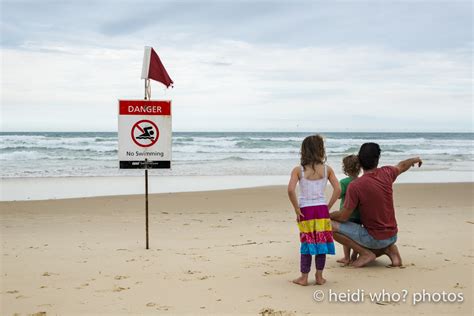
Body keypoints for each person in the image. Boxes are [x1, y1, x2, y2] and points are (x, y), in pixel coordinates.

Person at [330, 143, 422, 268]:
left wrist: (326, 215)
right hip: (392, 236)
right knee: (379, 239)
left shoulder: (356, 185)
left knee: (327, 225)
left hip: (374, 238)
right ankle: (389, 250)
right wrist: (415, 159)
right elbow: (402, 165)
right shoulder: (387, 173)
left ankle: (365, 253)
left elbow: (343, 216)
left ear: (360, 161)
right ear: (377, 159)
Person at [288, 135, 341, 285]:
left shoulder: (299, 170)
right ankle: (319, 276)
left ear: (303, 151)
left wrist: (296, 209)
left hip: (306, 210)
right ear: (321, 150)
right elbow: (338, 189)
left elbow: (291, 190)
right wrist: (328, 206)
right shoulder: (327, 170)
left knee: (307, 243)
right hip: (321, 210)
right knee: (321, 243)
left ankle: (304, 277)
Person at [336, 154, 361, 265]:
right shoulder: (362, 181)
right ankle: (354, 256)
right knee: (357, 237)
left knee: (346, 236)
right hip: (359, 215)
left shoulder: (344, 182)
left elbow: (338, 195)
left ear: (345, 168)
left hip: (347, 215)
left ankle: (346, 257)